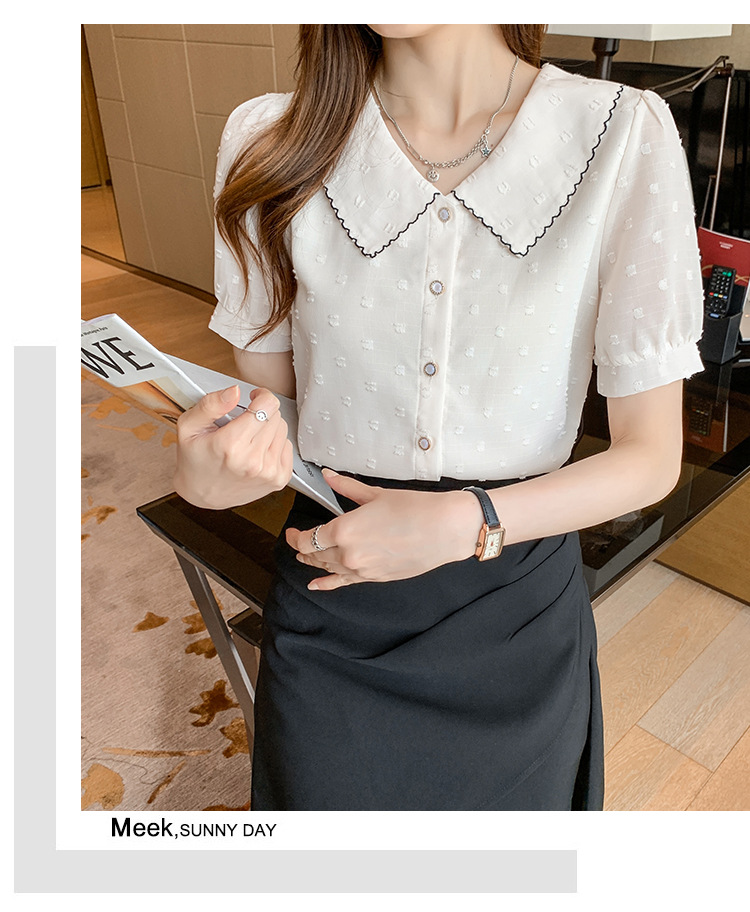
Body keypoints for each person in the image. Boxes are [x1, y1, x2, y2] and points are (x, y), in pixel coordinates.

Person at [174, 25, 704, 810]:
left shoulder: (621, 131)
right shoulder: (269, 139)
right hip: (334, 598)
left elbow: (652, 456)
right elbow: (269, 415)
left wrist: (466, 522)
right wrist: (210, 474)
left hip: (514, 613)